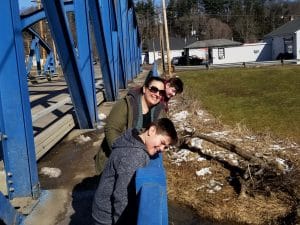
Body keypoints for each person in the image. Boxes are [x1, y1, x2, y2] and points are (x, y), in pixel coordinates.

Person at [92, 118, 178, 225]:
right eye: (162, 142)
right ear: (152, 131)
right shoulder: (135, 155)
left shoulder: (131, 139)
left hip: (101, 207)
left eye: (165, 147)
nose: (161, 149)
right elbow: (121, 196)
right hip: (107, 216)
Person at [94, 76, 167, 174]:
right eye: (154, 89)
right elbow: (111, 129)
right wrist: (122, 154)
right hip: (113, 159)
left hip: (138, 159)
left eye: (161, 92)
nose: (157, 94)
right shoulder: (126, 104)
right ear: (145, 89)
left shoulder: (159, 110)